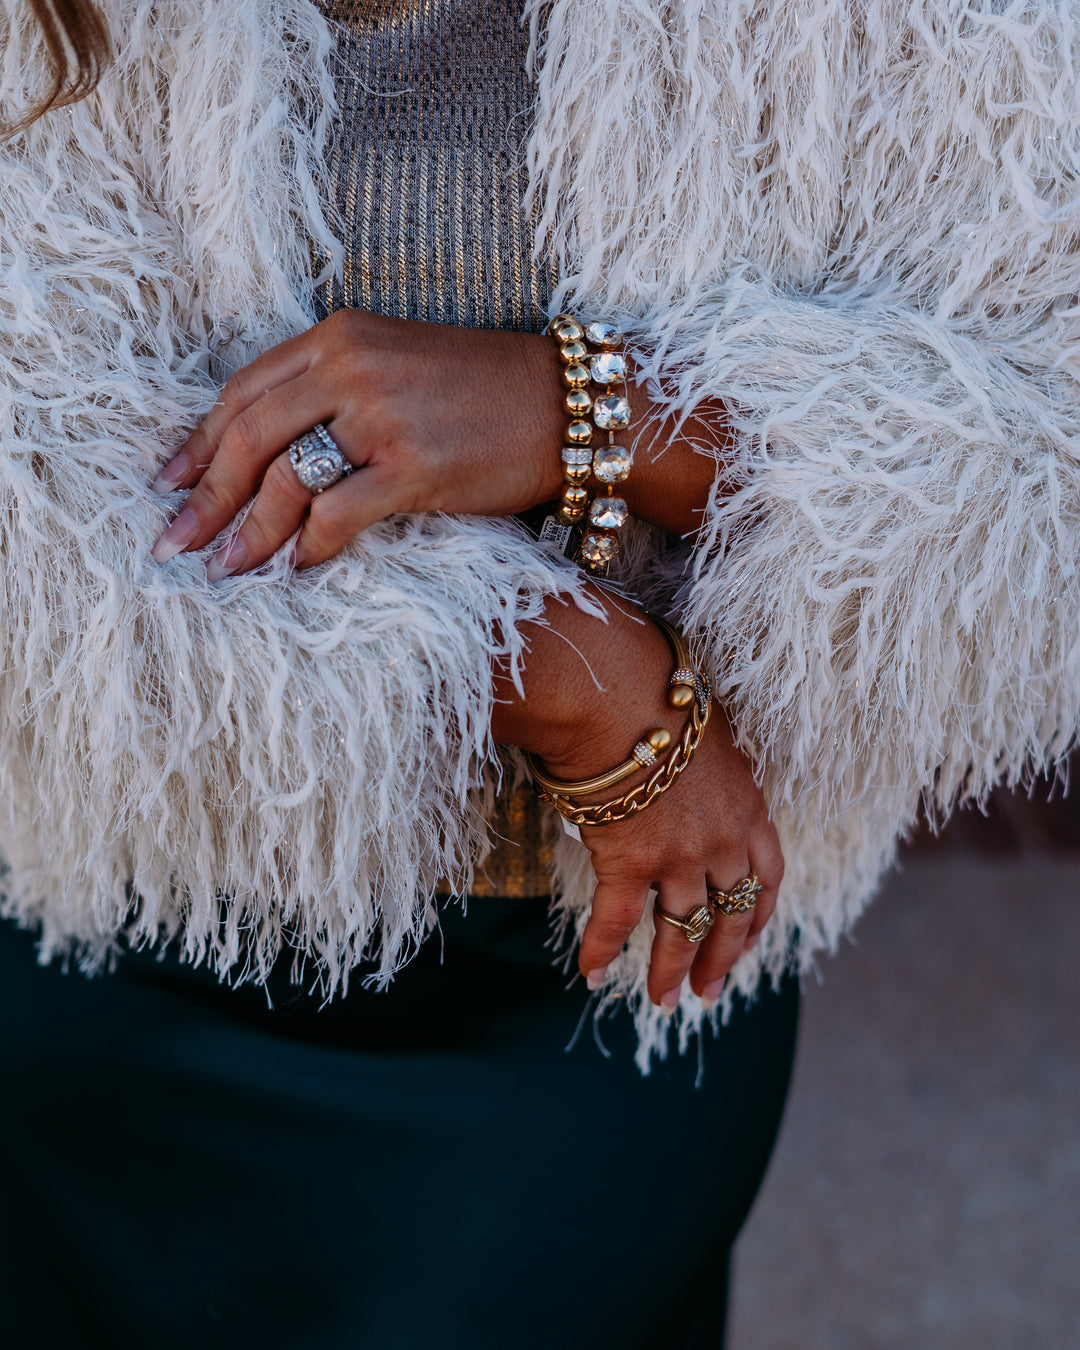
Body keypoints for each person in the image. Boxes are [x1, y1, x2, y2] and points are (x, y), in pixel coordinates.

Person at [1, 0, 1077, 1345]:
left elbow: (1046, 415)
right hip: (123, 935)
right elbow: (29, 481)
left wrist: (592, 411)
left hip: (613, 963)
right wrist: (550, 661)